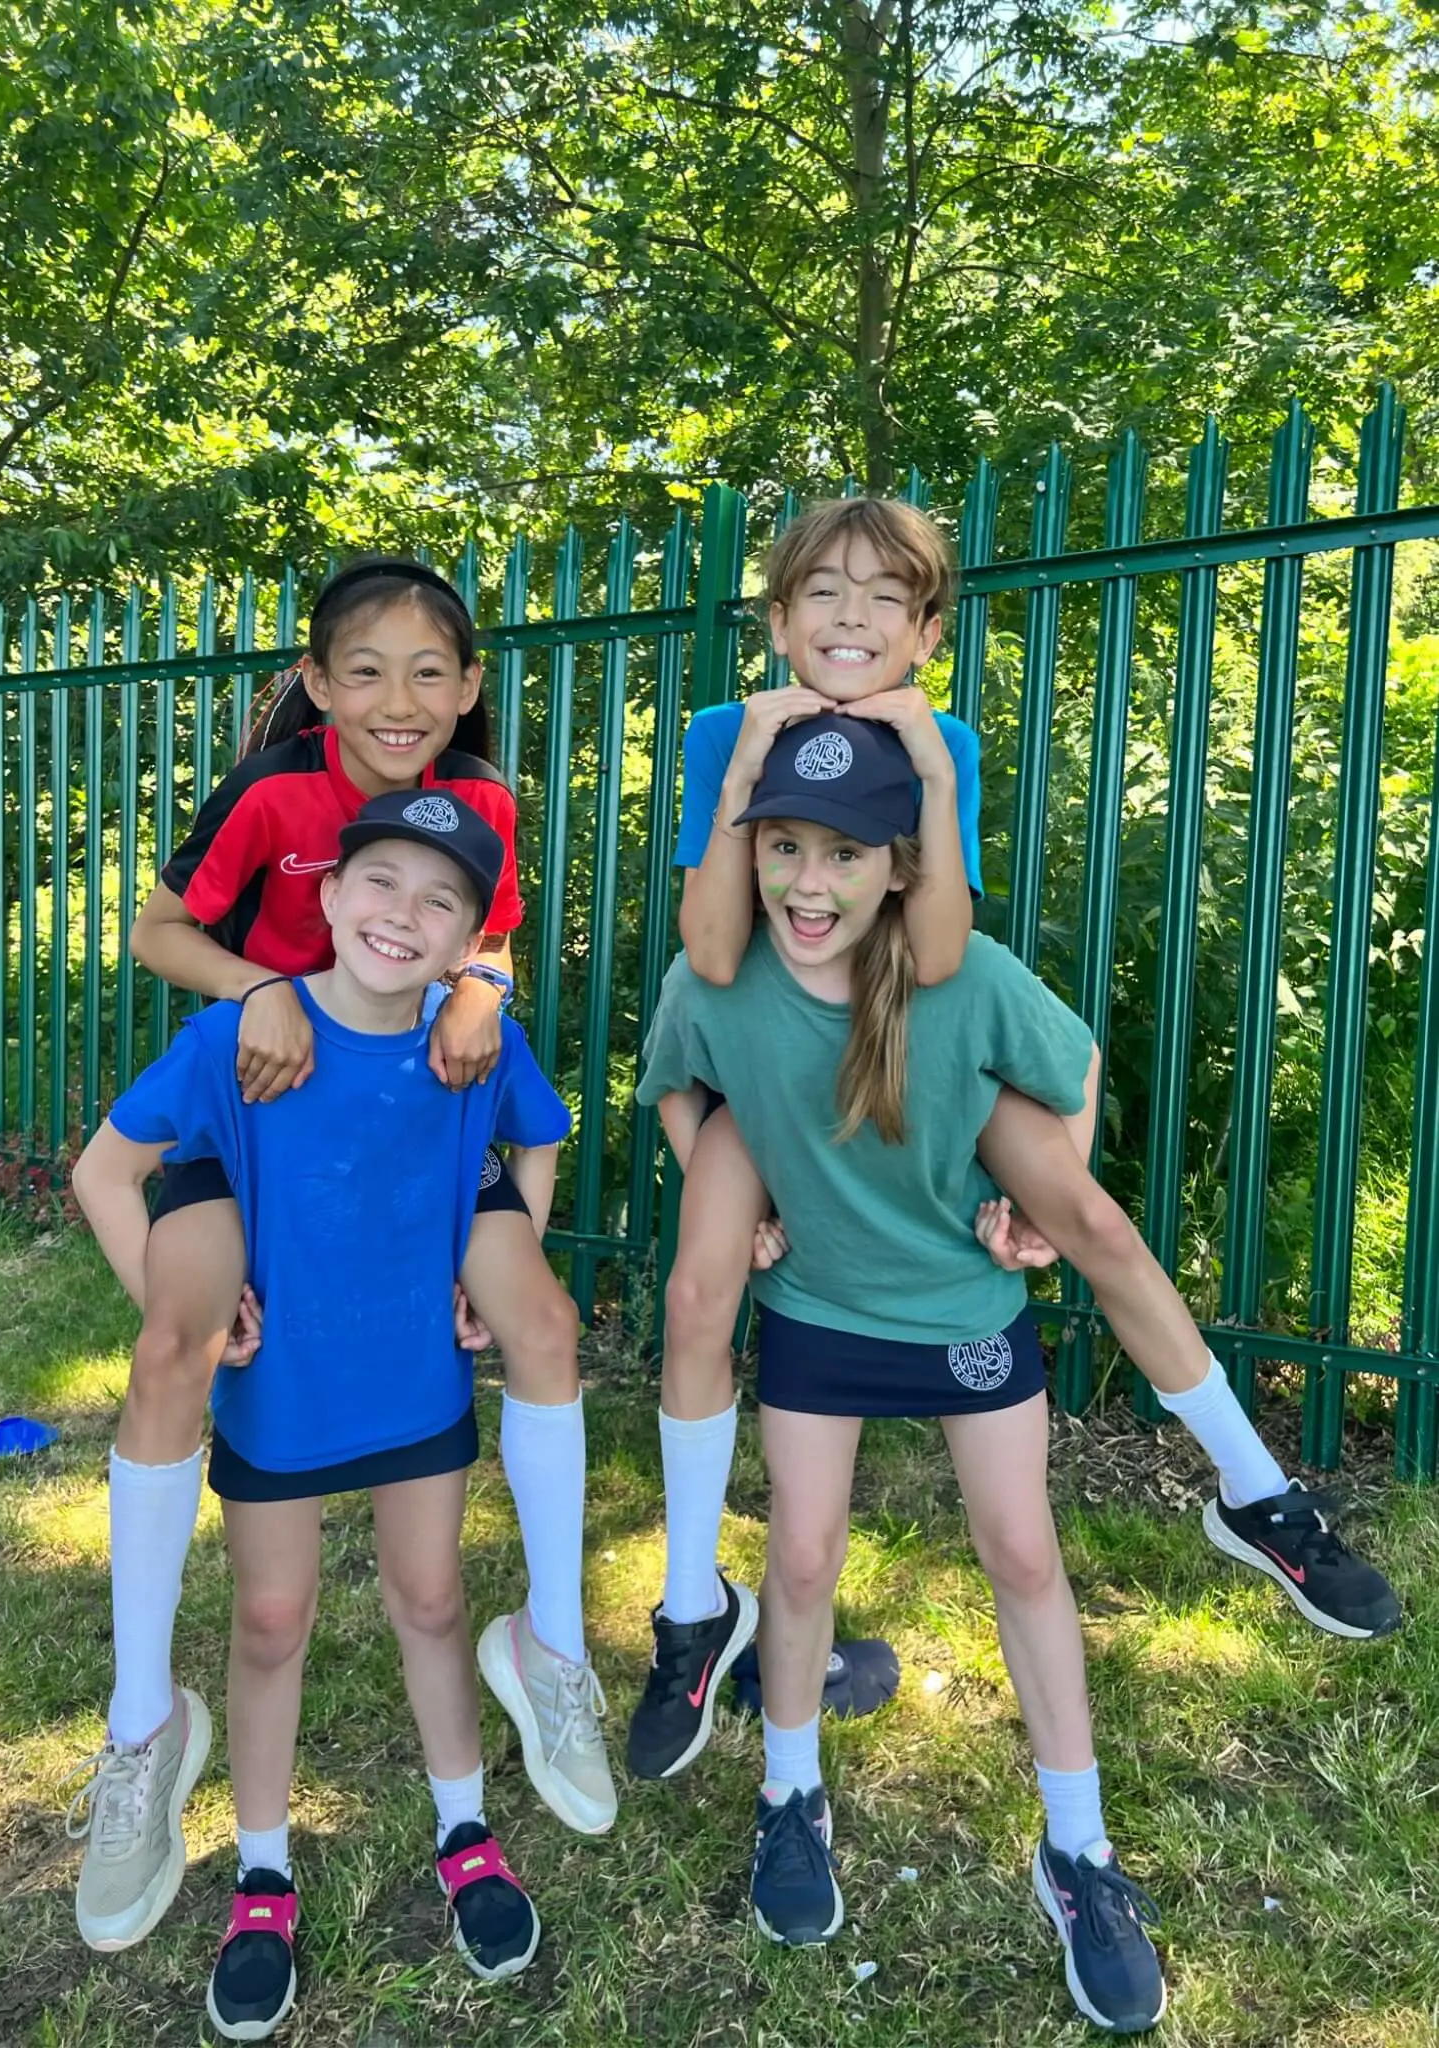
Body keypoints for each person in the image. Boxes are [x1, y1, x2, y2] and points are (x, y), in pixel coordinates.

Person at [628, 496, 1398, 1783]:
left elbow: (931, 953)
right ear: (773, 619)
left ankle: (1257, 1492)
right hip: (764, 1046)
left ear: (928, 630)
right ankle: (693, 1603)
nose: (850, 619)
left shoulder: (949, 741)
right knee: (701, 1285)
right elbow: (711, 951)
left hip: (907, 1034)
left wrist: (926, 768)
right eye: (822, 592)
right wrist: (751, 760)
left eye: (885, 597)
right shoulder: (727, 732)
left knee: (1092, 1220)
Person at [68, 560, 610, 1961]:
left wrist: (481, 986)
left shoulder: (480, 803)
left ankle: (547, 1654)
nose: (399, 701)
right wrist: (264, 995)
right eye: (364, 670)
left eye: (431, 672)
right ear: (315, 683)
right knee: (178, 1350)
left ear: (471, 689)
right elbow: (155, 934)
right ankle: (143, 1732)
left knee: (534, 1320)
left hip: (413, 1093)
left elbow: (474, 934)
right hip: (251, 1097)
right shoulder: (268, 794)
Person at [636, 715, 1171, 2031]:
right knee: (803, 1560)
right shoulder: (718, 979)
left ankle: (1078, 1852)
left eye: (841, 855)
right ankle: (789, 1798)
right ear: (747, 848)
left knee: (1025, 1556)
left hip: (965, 1310)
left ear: (897, 871)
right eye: (782, 848)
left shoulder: (962, 976)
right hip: (817, 1310)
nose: (805, 883)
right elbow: (674, 1087)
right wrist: (730, 1189)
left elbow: (1075, 1067)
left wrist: (1042, 1213)